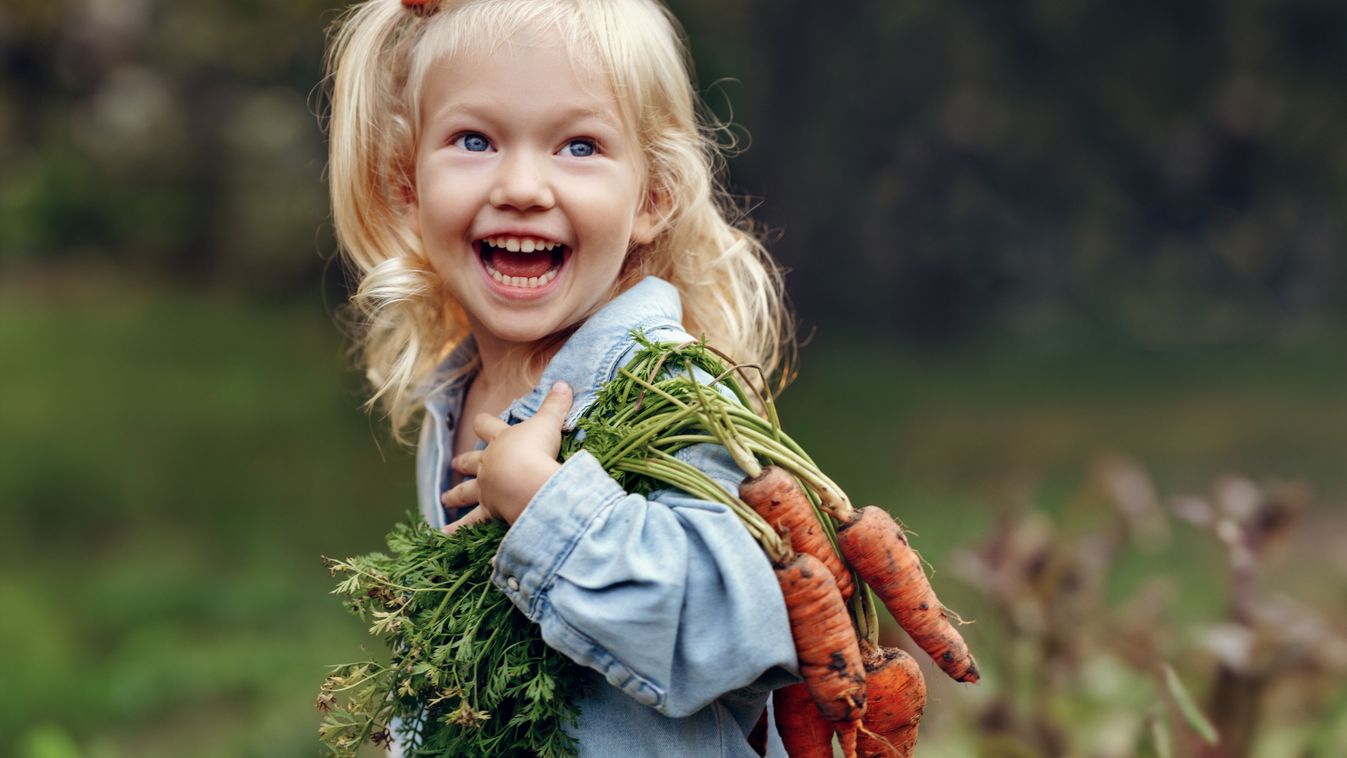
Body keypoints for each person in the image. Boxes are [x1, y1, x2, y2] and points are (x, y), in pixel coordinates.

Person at [325, 0, 799, 754]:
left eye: (577, 146)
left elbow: (738, 633)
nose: (521, 186)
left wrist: (551, 511)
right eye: (473, 140)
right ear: (407, 188)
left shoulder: (670, 392)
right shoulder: (457, 396)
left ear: (651, 199)